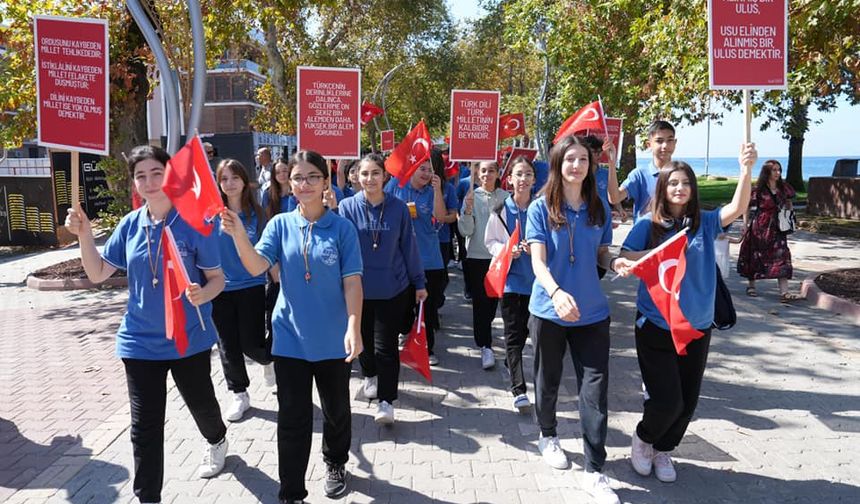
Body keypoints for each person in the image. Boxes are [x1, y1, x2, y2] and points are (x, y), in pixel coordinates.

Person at [65, 145, 229, 504]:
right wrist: (84, 235)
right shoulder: (130, 224)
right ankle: (148, 497)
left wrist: (205, 293)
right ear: (134, 183)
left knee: (202, 405)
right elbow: (97, 273)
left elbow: (218, 279)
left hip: (189, 340)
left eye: (157, 173)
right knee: (144, 428)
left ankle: (216, 439)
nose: (149, 181)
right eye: (141, 176)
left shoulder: (193, 222)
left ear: (170, 175)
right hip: (139, 343)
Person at [221, 149, 363, 502]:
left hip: (334, 339)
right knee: (293, 419)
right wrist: (240, 235)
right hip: (290, 340)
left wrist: (354, 327)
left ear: (325, 182)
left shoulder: (342, 228)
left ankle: (335, 463)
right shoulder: (280, 224)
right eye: (298, 178)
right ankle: (292, 491)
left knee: (336, 411)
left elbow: (352, 283)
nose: (304, 184)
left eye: (312, 177)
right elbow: (256, 267)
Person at [618, 144, 757, 485]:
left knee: (688, 402)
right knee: (667, 400)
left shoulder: (705, 223)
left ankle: (664, 449)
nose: (679, 188)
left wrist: (745, 169)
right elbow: (626, 255)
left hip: (696, 325)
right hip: (655, 324)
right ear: (663, 189)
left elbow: (738, 207)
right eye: (672, 183)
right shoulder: (647, 225)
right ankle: (644, 438)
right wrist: (662, 249)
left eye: (685, 183)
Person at [527, 135, 633, 504]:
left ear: (591, 166)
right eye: (570, 159)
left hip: (592, 313)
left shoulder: (598, 207)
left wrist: (614, 261)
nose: (576, 166)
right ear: (558, 164)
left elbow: (602, 253)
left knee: (595, 391)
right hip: (549, 310)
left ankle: (594, 469)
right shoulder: (540, 208)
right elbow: (538, 261)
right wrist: (556, 294)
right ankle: (548, 434)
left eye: (583, 160)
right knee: (548, 380)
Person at [339, 154, 428, 425]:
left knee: (385, 347)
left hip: (392, 289)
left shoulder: (399, 208)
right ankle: (369, 376)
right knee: (362, 342)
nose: (370, 179)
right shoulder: (346, 207)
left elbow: (408, 247)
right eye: (364, 173)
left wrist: (420, 282)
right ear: (356, 176)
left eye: (375, 173)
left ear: (384, 176)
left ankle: (387, 401)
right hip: (358, 290)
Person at [213, 159, 275, 423]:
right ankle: (239, 393)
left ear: (244, 180)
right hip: (219, 288)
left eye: (234, 178)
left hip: (251, 285)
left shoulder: (258, 215)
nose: (229, 183)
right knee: (227, 344)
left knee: (252, 343)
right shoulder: (210, 215)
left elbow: (269, 252)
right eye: (224, 179)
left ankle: (267, 361)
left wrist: (280, 282)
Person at [385, 150, 448, 366]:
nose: (427, 173)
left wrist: (438, 190)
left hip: (429, 258)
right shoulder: (395, 185)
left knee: (428, 308)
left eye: (430, 170)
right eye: (422, 168)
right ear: (412, 168)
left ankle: (427, 348)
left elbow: (440, 217)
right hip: (400, 258)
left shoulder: (432, 191)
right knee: (402, 304)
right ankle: (405, 332)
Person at [484, 156, 536, 411]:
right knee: (513, 336)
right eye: (519, 175)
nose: (523, 179)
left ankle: (510, 361)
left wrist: (536, 247)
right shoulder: (501, 209)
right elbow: (490, 241)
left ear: (534, 179)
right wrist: (507, 249)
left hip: (537, 284)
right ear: (510, 180)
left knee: (528, 334)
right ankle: (519, 389)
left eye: (528, 174)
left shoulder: (541, 209)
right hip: (511, 282)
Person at [458, 160, 509, 370]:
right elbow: (465, 231)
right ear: (477, 174)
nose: (487, 174)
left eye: (491, 171)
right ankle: (485, 345)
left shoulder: (506, 198)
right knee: (480, 303)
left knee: (495, 303)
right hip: (477, 258)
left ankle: (492, 337)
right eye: (483, 171)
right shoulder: (471, 196)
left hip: (501, 258)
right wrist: (468, 211)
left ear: (498, 174)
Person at [737, 159, 802, 302]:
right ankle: (751, 285)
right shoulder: (758, 190)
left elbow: (789, 203)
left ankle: (784, 292)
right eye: (774, 170)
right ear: (767, 172)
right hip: (760, 226)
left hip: (778, 227)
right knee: (754, 254)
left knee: (782, 255)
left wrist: (789, 217)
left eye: (779, 170)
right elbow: (746, 207)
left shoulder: (784, 188)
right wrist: (745, 224)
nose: (778, 173)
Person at [607, 120, 677, 221]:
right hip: (645, 234)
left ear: (675, 143)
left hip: (674, 235)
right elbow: (614, 198)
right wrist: (611, 163)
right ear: (649, 145)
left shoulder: (681, 174)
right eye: (659, 141)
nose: (665, 145)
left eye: (670, 140)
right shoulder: (639, 175)